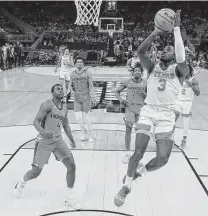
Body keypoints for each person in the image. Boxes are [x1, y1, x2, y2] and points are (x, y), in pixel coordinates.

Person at [114, 10, 188, 207]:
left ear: (174, 55)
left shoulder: (180, 71)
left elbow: (181, 56)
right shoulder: (152, 67)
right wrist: (155, 32)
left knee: (163, 158)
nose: (166, 50)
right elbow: (140, 52)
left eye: (169, 49)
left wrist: (176, 29)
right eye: (164, 49)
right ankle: (127, 186)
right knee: (137, 152)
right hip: (148, 111)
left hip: (166, 115)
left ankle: (139, 172)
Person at [14, 84, 79, 209]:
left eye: (62, 89)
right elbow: (35, 121)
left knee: (71, 166)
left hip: (58, 140)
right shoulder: (47, 105)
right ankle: (21, 183)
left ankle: (69, 198)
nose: (61, 90)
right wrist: (44, 132)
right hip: (44, 141)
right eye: (58, 89)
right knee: (36, 172)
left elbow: (65, 126)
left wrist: (71, 139)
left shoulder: (65, 107)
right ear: (53, 93)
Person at [115, 66, 147, 164]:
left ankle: (137, 155)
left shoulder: (146, 83)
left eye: (139, 71)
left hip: (141, 109)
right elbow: (117, 91)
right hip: (129, 108)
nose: (137, 72)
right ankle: (128, 154)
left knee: (140, 132)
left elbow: (150, 97)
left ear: (142, 73)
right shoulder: (127, 82)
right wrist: (121, 100)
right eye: (135, 70)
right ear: (132, 73)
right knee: (128, 128)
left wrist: (143, 94)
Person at [69, 57, 96, 142]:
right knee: (78, 118)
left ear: (83, 63)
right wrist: (71, 90)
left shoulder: (88, 73)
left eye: (81, 62)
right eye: (78, 62)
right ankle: (85, 132)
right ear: (75, 64)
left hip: (86, 98)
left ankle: (91, 134)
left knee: (87, 118)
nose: (79, 63)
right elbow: (70, 84)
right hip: (77, 98)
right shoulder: (72, 73)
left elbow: (91, 86)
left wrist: (93, 97)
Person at [174, 65, 200, 149]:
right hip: (178, 101)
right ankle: (170, 138)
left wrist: (191, 86)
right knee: (172, 120)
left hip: (187, 103)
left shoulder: (193, 80)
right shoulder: (179, 79)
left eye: (187, 69)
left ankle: (184, 140)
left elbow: (198, 93)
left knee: (185, 123)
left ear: (190, 71)